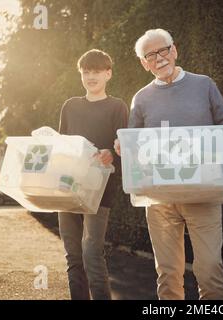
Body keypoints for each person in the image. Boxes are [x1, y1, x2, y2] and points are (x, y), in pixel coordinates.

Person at [114, 29, 223, 300]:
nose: (159, 57)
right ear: (144, 63)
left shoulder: (204, 84)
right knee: (168, 273)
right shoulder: (141, 98)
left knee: (209, 269)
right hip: (159, 198)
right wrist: (121, 146)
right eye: (150, 55)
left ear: (174, 50)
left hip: (203, 192)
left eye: (163, 50)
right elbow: (134, 142)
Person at [59, 49, 128, 300]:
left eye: (97, 71)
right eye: (86, 72)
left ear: (108, 74)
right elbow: (62, 150)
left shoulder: (117, 106)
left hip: (99, 192)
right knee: (73, 256)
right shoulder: (70, 106)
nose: (91, 76)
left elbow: (124, 149)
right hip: (67, 190)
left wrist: (112, 152)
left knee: (91, 253)